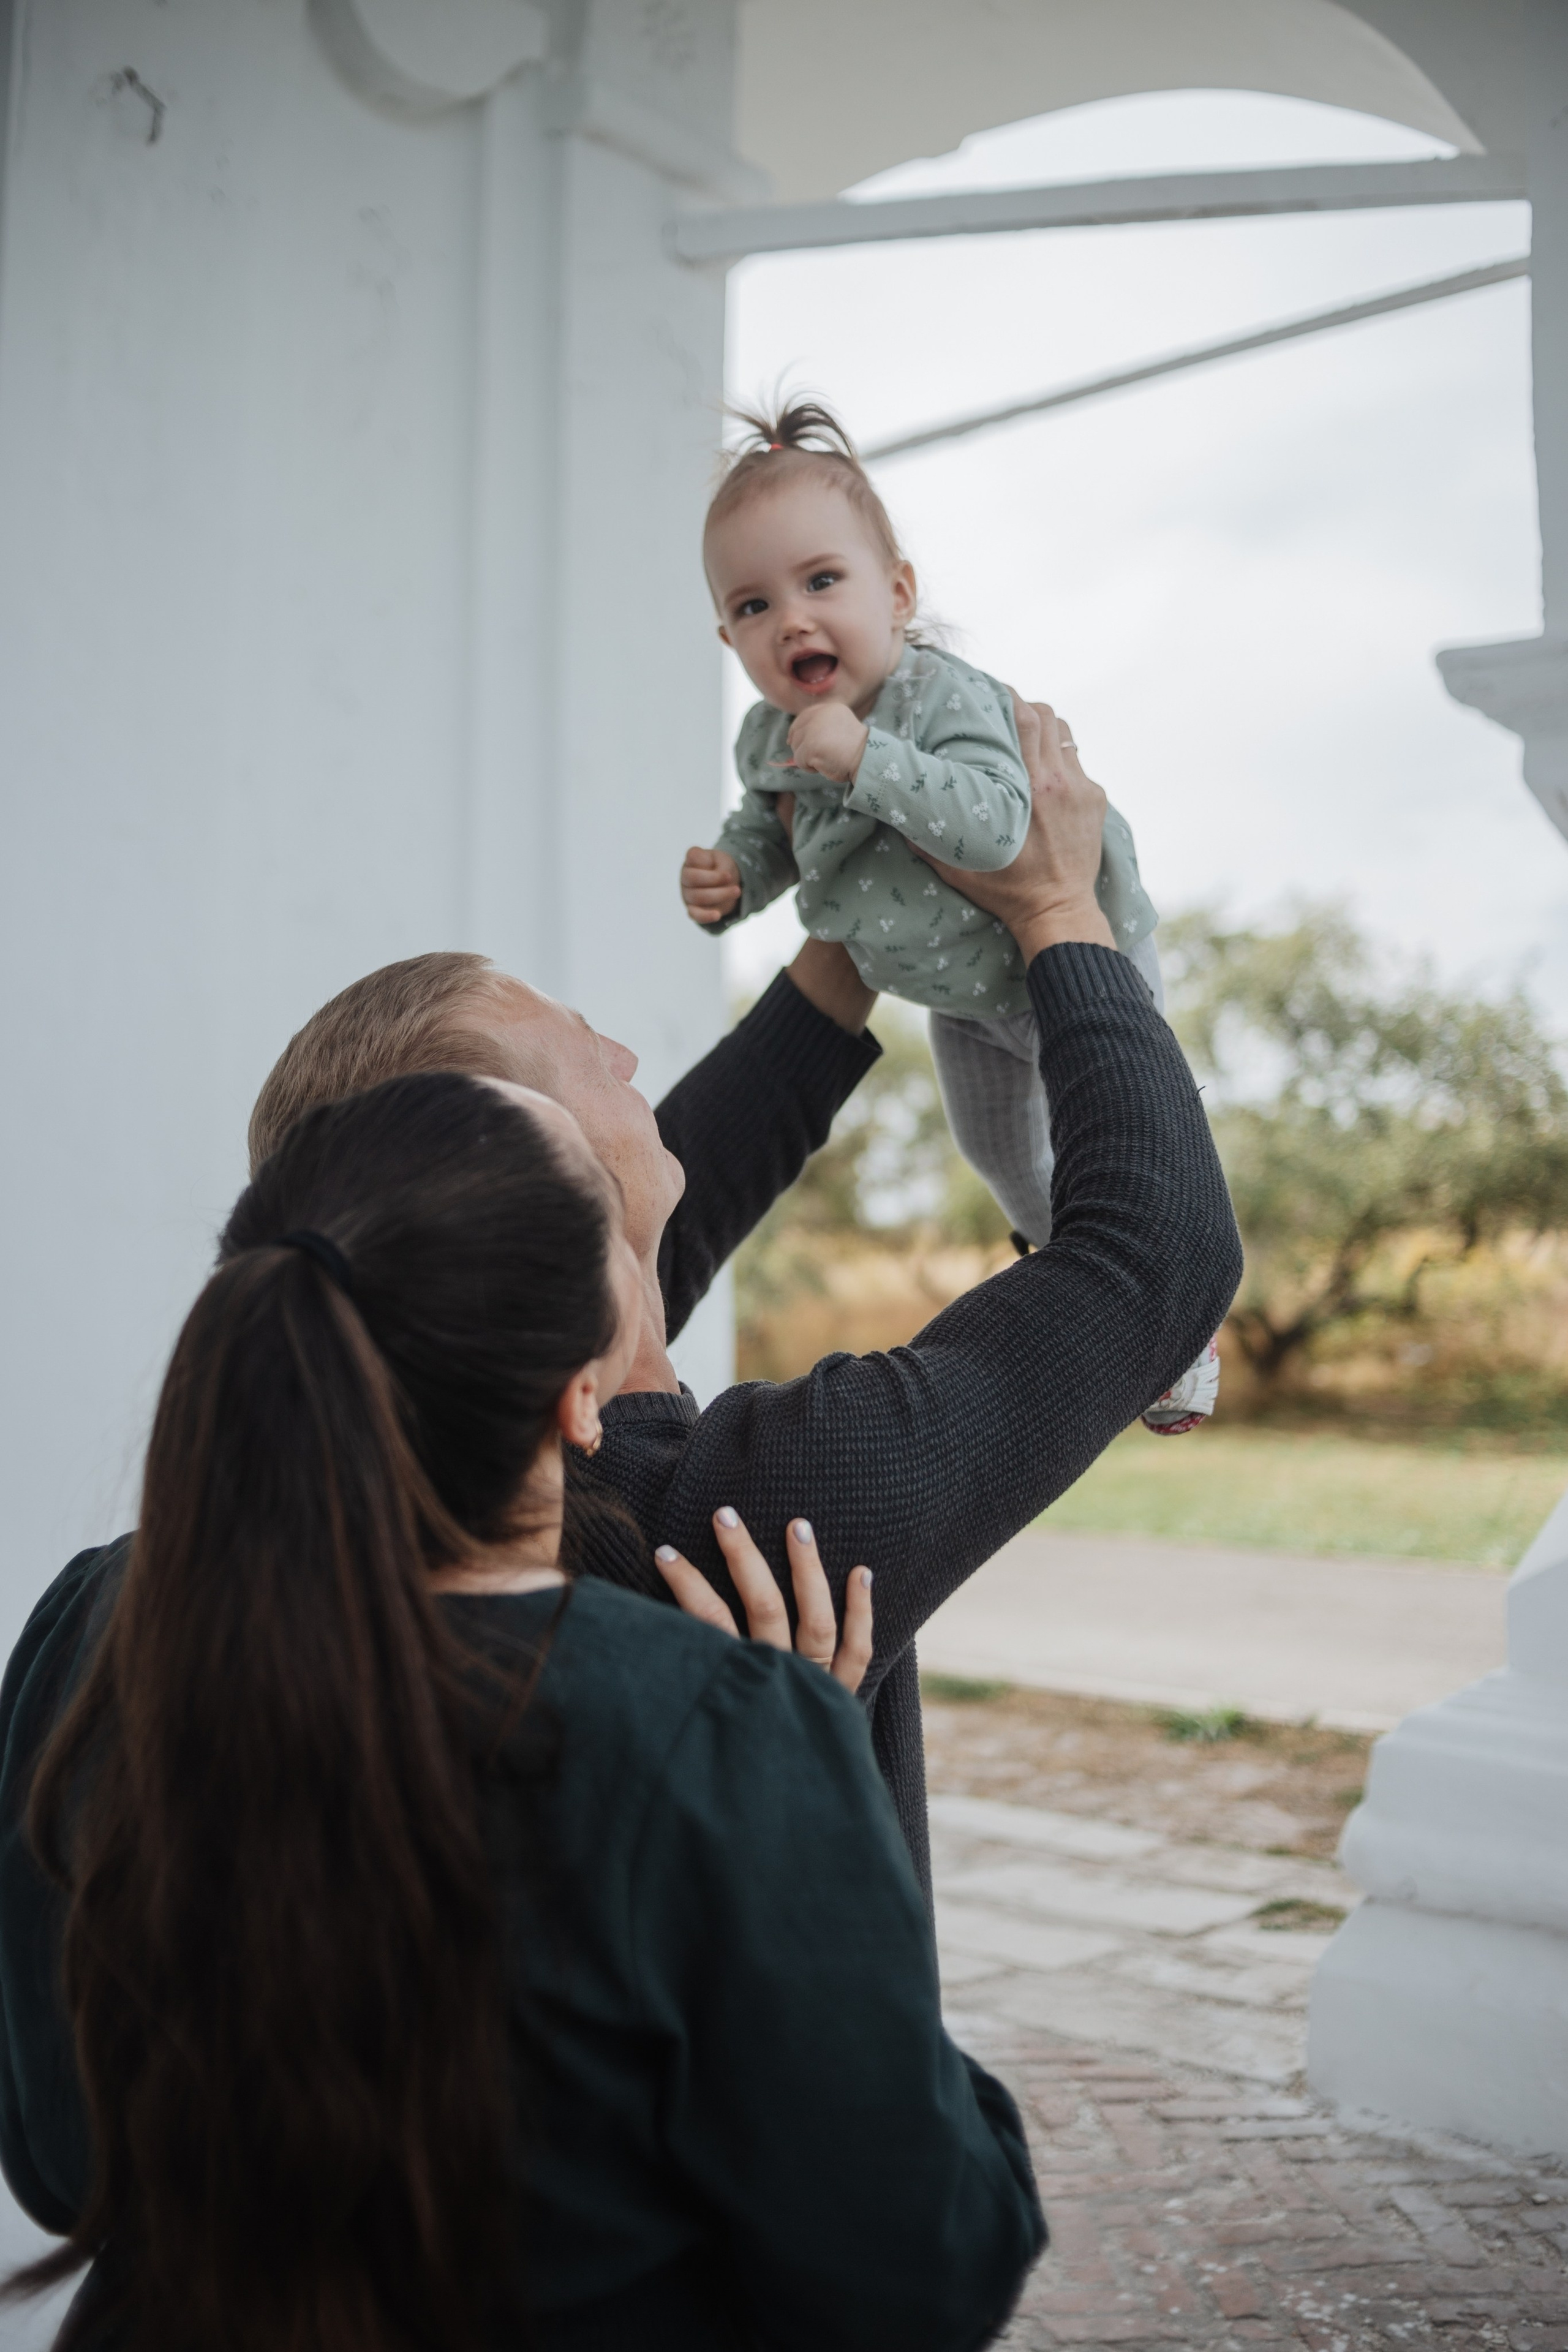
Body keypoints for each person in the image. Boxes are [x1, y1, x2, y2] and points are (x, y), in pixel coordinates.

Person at [6, 703, 1242, 1910]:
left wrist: (854, 898)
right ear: (529, 1163)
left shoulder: (149, 1594)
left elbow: (679, 1195)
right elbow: (1154, 1253)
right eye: (591, 1050)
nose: (631, 1064)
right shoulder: (767, 1521)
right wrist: (1054, 909)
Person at [0, 1069, 1044, 2348]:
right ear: (581, 1396)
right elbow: (924, 2273)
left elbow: (59, 2164)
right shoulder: (713, 1734)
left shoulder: (85, 1635)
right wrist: (815, 1792)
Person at [679, 399, 1215, 1435]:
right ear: (728, 636)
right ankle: (1093, 1301)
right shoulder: (771, 737)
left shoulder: (941, 698)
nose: (791, 619)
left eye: (822, 582)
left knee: (1128, 1136)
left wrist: (864, 758)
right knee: (1000, 1155)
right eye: (753, 605)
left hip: (1072, 964)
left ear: (898, 592)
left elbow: (1002, 825)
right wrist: (734, 883)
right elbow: (776, 830)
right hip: (961, 1001)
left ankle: (1180, 1332)